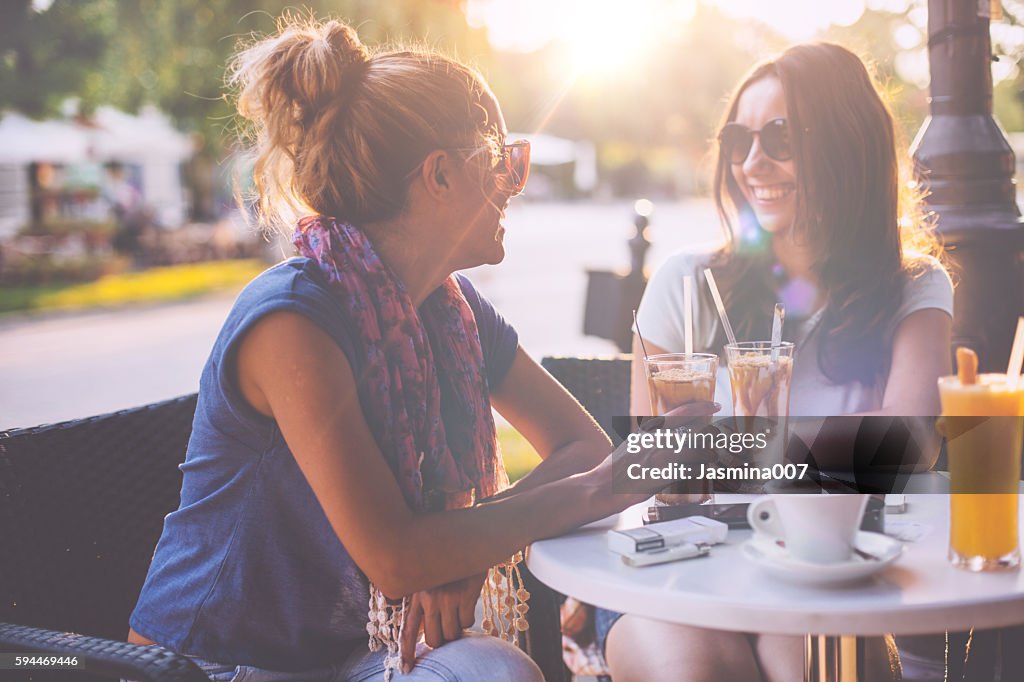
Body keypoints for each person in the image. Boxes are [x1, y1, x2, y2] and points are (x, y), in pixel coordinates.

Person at [124, 15, 689, 682]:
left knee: (495, 672)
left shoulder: (452, 312)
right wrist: (600, 489)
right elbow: (397, 557)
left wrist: (464, 547)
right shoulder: (293, 322)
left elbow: (582, 447)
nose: (516, 183)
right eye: (505, 159)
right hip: (212, 663)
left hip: (347, 656)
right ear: (441, 176)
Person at [600, 43, 954, 681]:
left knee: (809, 662)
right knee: (701, 671)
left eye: (781, 137)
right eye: (739, 139)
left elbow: (904, 448)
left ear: (847, 145)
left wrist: (736, 448)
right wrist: (836, 447)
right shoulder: (685, 282)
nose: (751, 162)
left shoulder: (913, 287)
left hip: (825, 573)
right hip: (679, 572)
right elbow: (656, 462)